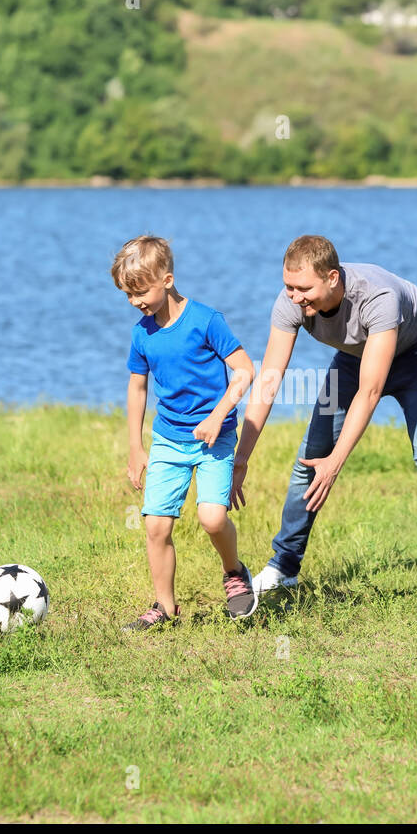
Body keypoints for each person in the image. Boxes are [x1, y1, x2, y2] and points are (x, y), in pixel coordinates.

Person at [231, 235, 417, 613]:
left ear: (333, 278)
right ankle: (283, 567)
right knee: (310, 457)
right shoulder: (291, 302)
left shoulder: (377, 297)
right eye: (289, 287)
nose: (295, 297)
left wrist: (336, 463)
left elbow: (370, 391)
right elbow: (269, 380)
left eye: (304, 288)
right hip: (356, 355)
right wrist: (241, 458)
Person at [113, 235, 257, 630]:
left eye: (140, 291)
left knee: (212, 519)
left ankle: (234, 572)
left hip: (216, 439)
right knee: (156, 525)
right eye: (127, 295)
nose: (135, 302)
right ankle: (165, 607)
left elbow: (245, 371)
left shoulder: (207, 321)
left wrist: (217, 415)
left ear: (168, 279)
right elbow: (137, 387)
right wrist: (135, 448)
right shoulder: (141, 333)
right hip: (168, 441)